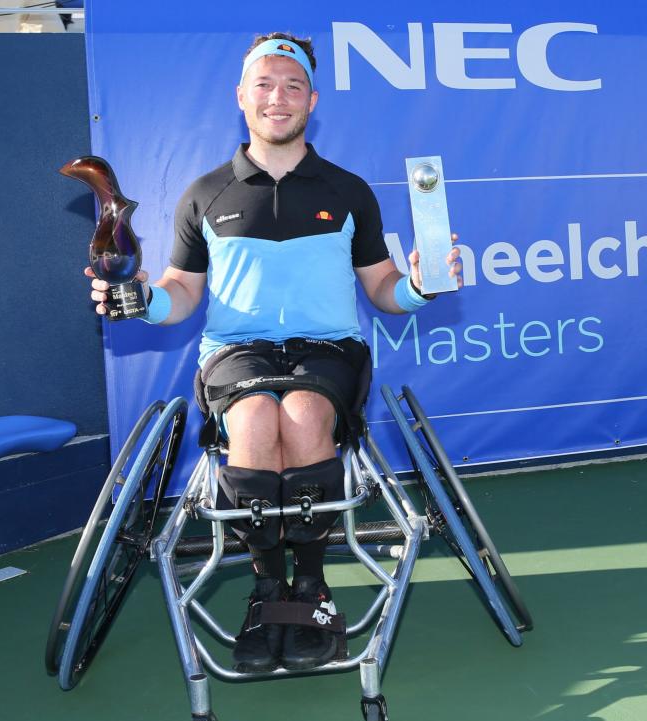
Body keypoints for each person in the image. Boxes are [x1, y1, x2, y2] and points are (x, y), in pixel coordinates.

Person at [85, 33, 462, 674]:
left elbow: (382, 289)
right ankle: (266, 590)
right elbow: (179, 293)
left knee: (306, 416)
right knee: (257, 420)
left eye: (292, 86)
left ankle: (311, 589)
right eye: (264, 85)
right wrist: (141, 299)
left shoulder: (348, 191)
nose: (277, 98)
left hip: (330, 350)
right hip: (237, 351)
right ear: (242, 97)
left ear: (312, 100)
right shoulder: (204, 194)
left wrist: (422, 286)